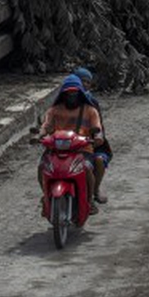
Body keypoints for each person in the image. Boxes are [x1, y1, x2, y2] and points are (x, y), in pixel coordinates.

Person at [38, 74, 110, 209]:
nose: (71, 96)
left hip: (82, 149)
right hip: (56, 149)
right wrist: (41, 134)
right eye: (68, 93)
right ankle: (46, 196)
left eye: (74, 93)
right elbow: (46, 126)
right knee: (42, 167)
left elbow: (97, 128)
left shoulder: (90, 111)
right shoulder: (54, 110)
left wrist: (97, 137)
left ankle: (89, 200)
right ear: (63, 94)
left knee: (86, 168)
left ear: (80, 93)